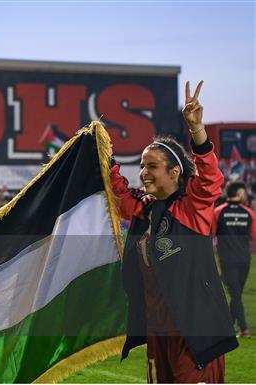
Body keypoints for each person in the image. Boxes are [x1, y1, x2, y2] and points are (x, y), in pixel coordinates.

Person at [110, 81, 237, 383]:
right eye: (141, 165)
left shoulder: (192, 208)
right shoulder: (144, 209)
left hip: (196, 333)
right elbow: (116, 193)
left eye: (151, 166)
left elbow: (209, 178)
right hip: (158, 333)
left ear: (174, 171)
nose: (143, 172)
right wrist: (100, 152)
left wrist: (197, 130)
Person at [213, 181, 256, 338]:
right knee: (236, 294)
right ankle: (244, 329)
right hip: (245, 259)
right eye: (243, 191)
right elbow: (253, 235)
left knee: (235, 295)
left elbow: (210, 234)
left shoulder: (218, 212)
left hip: (227, 259)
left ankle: (229, 327)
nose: (245, 193)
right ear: (239, 193)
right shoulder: (249, 212)